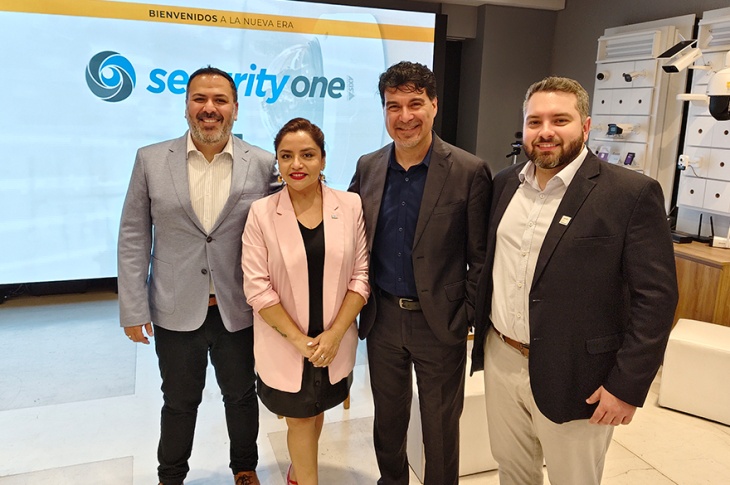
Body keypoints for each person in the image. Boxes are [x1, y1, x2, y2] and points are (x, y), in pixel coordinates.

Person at [471, 76, 679, 485]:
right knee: (512, 472)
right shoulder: (504, 184)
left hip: (579, 373)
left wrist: (627, 386)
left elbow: (656, 298)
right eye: (534, 122)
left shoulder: (629, 193)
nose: (545, 131)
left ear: (585, 126)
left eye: (559, 120)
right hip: (503, 357)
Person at [117, 66, 279, 485]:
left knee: (241, 396)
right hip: (174, 308)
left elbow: (281, 235)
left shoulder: (264, 163)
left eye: (220, 100)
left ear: (235, 109)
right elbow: (134, 236)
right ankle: (170, 476)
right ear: (186, 105)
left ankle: (245, 468)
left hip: (238, 308)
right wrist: (133, 308)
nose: (210, 108)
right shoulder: (151, 160)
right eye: (200, 99)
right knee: (178, 401)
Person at [349, 61, 492, 485]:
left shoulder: (468, 171)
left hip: (440, 324)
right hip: (382, 319)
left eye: (415, 103)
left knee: (441, 427)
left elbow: (481, 256)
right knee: (388, 421)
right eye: (393, 106)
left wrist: (465, 314)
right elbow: (351, 237)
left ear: (434, 105)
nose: (405, 116)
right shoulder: (369, 166)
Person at [242, 117, 369, 485]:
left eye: (307, 155)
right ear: (277, 162)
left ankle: (298, 471)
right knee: (299, 418)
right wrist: (301, 342)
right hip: (286, 341)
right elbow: (257, 288)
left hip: (333, 339)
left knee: (316, 410)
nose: (296, 164)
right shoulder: (262, 213)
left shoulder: (350, 206)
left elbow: (361, 276)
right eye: (286, 156)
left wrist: (334, 335)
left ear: (323, 159)